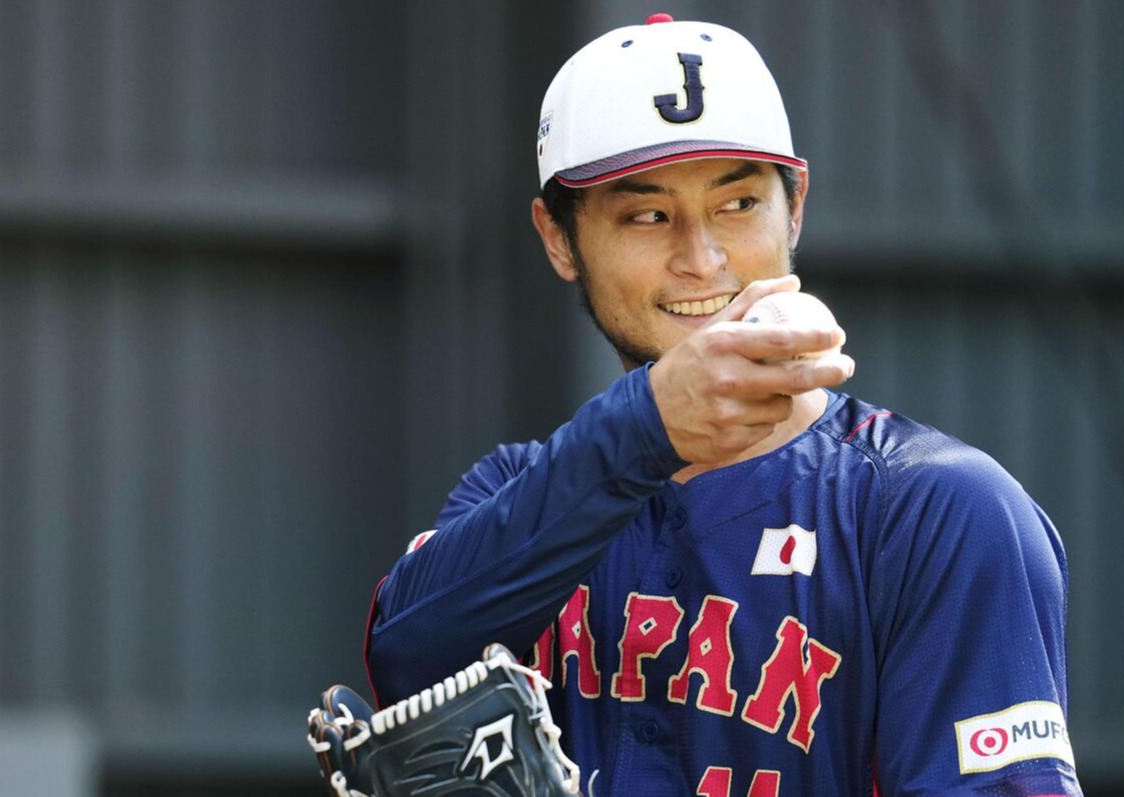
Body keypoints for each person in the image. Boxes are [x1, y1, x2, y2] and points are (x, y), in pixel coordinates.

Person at [364, 13, 1081, 797]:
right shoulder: (517, 491)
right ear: (558, 238)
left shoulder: (935, 507)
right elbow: (404, 658)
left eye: (738, 204)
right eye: (646, 215)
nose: (701, 260)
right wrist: (643, 431)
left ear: (794, 207)